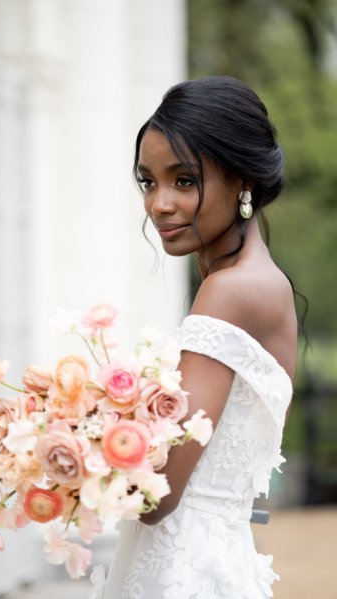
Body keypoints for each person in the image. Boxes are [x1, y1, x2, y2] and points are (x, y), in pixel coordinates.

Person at [90, 76, 297, 598]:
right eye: (147, 181)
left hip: (186, 573)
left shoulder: (231, 291)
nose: (159, 203)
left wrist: (70, 450)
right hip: (208, 560)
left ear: (242, 180)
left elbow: (158, 498)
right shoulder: (257, 283)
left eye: (183, 180)